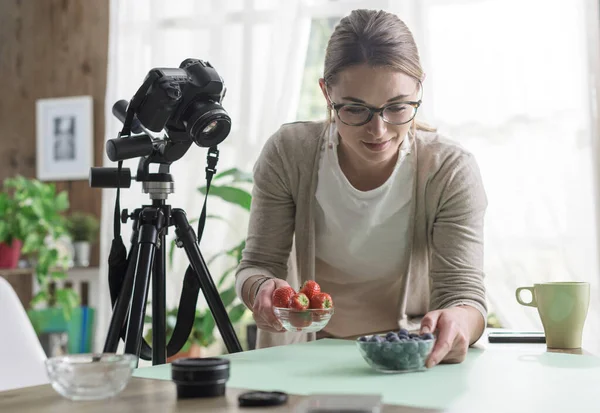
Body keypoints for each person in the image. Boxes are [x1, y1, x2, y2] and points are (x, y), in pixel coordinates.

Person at [234, 8, 487, 368]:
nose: (378, 130)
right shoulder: (290, 153)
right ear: (326, 92)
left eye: (398, 107)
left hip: (407, 360)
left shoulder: (449, 170)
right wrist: (261, 289)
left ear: (419, 89)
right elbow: (257, 265)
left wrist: (458, 321)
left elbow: (464, 294)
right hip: (302, 359)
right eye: (355, 109)